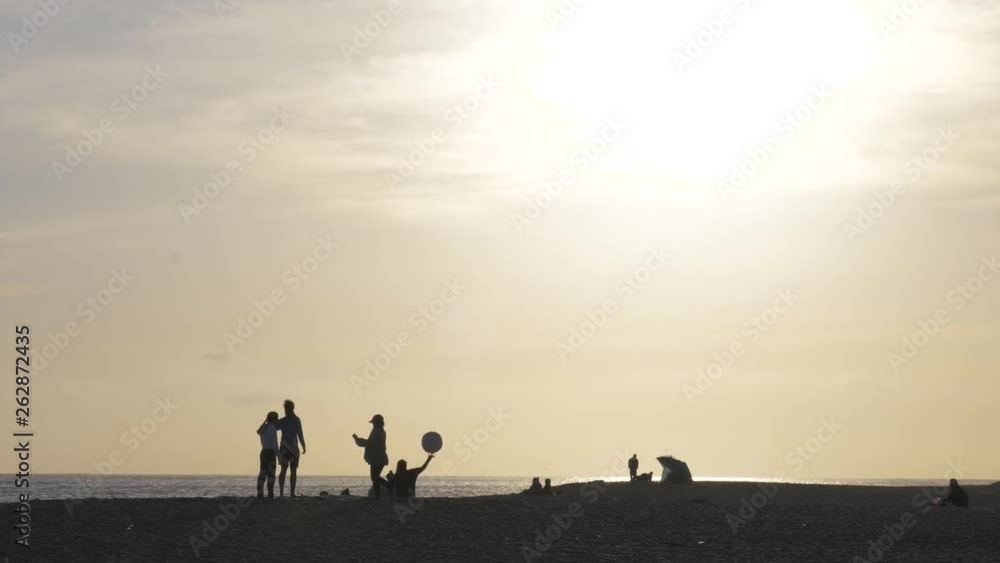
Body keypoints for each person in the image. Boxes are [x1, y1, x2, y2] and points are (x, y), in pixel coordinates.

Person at [353, 414, 389, 499]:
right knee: (375, 477)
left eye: (374, 423)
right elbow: (370, 443)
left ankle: (388, 486)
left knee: (374, 477)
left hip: (378, 458)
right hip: (377, 458)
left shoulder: (379, 432)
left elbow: (370, 444)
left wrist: (357, 440)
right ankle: (379, 494)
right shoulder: (377, 431)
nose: (373, 424)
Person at [275, 400, 306, 498]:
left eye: (285, 409)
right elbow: (274, 427)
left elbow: (300, 434)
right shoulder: (285, 420)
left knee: (291, 471)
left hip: (291, 449)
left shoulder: (295, 420)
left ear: (289, 409)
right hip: (286, 449)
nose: (285, 411)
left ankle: (289, 493)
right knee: (285, 470)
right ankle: (282, 493)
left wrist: (303, 445)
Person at [255, 411, 279, 498]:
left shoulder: (263, 428)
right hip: (271, 453)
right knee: (271, 474)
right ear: (274, 419)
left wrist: (265, 421)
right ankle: (270, 493)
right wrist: (279, 456)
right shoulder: (272, 428)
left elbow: (257, 431)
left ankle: (260, 493)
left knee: (262, 473)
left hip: (264, 452)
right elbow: (275, 444)